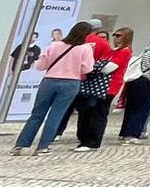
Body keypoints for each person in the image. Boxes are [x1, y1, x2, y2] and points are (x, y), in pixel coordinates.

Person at [12, 22, 99, 155]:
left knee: (37, 114)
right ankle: (43, 146)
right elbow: (87, 68)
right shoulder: (85, 48)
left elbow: (41, 65)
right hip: (71, 82)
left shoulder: (55, 45)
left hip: (49, 80)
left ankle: (21, 145)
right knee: (56, 114)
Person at [71, 27, 132, 152]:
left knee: (98, 113)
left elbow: (108, 68)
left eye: (119, 35)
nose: (115, 37)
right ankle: (85, 138)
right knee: (87, 112)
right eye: (115, 35)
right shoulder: (111, 50)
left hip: (109, 87)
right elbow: (100, 63)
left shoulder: (124, 52)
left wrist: (95, 66)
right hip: (97, 85)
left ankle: (93, 141)